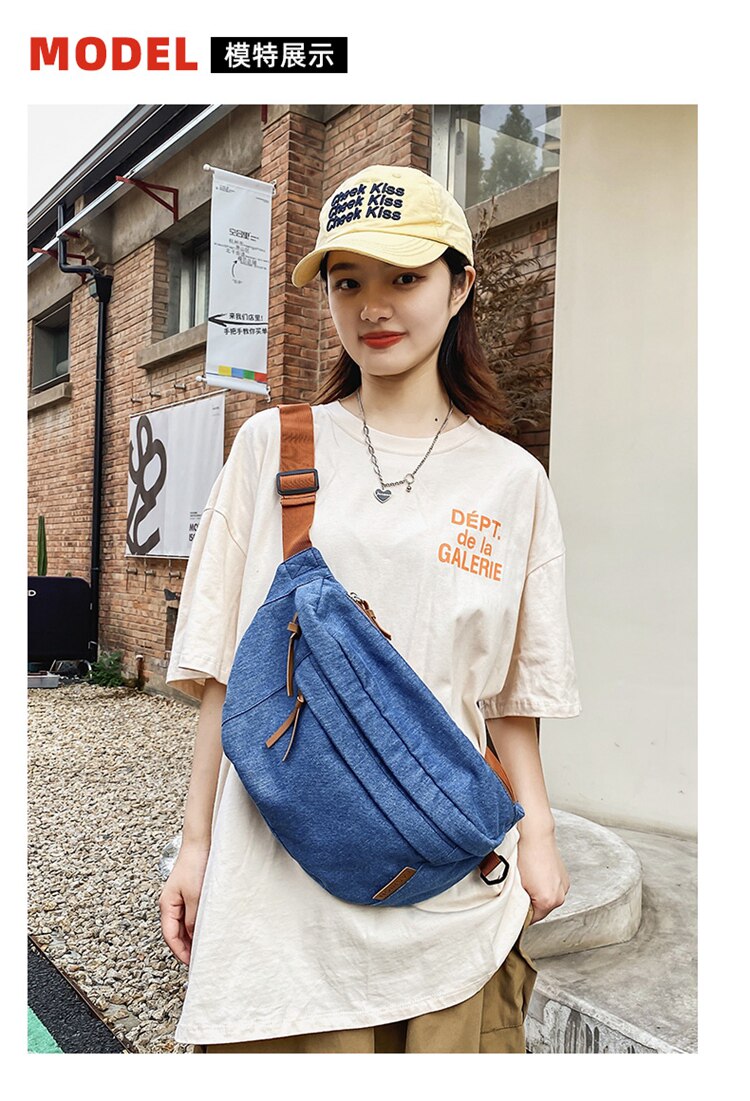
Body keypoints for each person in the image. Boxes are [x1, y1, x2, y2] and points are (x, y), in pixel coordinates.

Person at [160, 164, 581, 1054]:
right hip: (281, 890)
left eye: (405, 277)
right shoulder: (273, 446)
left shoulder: (513, 481)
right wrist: (195, 844)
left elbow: (512, 696)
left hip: (450, 885)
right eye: (347, 282)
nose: (374, 307)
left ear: (460, 286)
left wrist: (539, 836)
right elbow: (223, 670)